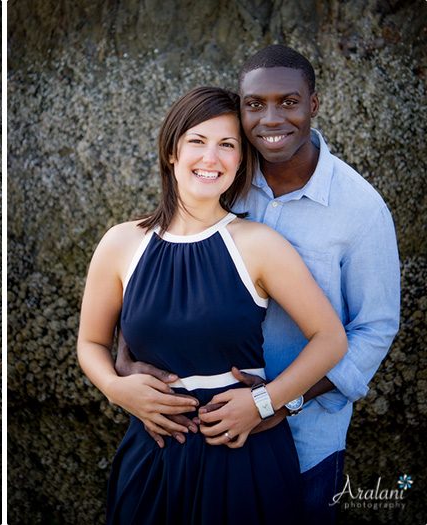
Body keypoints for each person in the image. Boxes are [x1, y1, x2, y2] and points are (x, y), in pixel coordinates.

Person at [114, 46, 400, 523]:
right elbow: (162, 261)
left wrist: (281, 402)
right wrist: (125, 353)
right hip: (194, 431)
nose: (271, 118)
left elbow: (373, 330)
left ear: (314, 104)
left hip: (307, 439)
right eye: (254, 104)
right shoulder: (222, 176)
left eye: (288, 102)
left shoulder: (361, 211)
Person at [76, 86, 347, 523]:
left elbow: (330, 339)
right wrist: (116, 389)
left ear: (241, 160)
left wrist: (265, 402)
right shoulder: (121, 243)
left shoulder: (258, 244)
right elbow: (90, 342)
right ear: (171, 151)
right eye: (197, 142)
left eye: (227, 145)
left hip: (241, 454)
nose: (211, 158)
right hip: (152, 452)